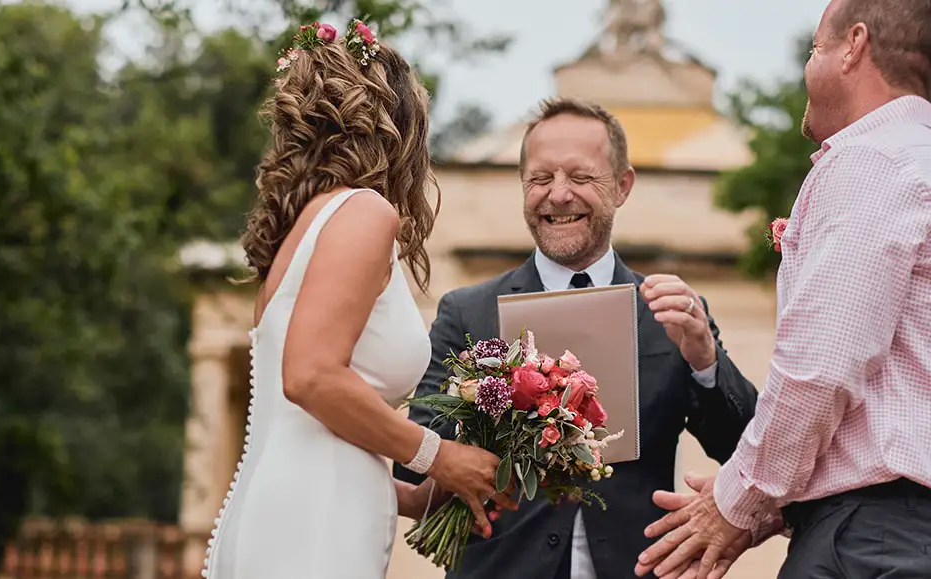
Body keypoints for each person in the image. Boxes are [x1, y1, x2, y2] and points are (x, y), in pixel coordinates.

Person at [634, 0, 931, 577]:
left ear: (853, 46)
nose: (808, 65)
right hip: (905, 537)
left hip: (869, 543)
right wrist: (764, 508)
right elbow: (883, 405)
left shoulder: (871, 161)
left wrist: (738, 501)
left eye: (814, 48)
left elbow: (821, 372)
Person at [394, 97, 759, 579]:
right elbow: (414, 462)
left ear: (623, 186)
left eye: (581, 178)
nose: (558, 195)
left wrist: (706, 361)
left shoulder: (669, 311)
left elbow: (747, 450)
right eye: (540, 179)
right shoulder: (467, 312)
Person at [200, 20, 512, 579]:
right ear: (400, 130)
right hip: (313, 526)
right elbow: (312, 377)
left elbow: (312, 431)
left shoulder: (301, 231)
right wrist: (439, 454)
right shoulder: (364, 213)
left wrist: (416, 496)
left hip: (286, 508)